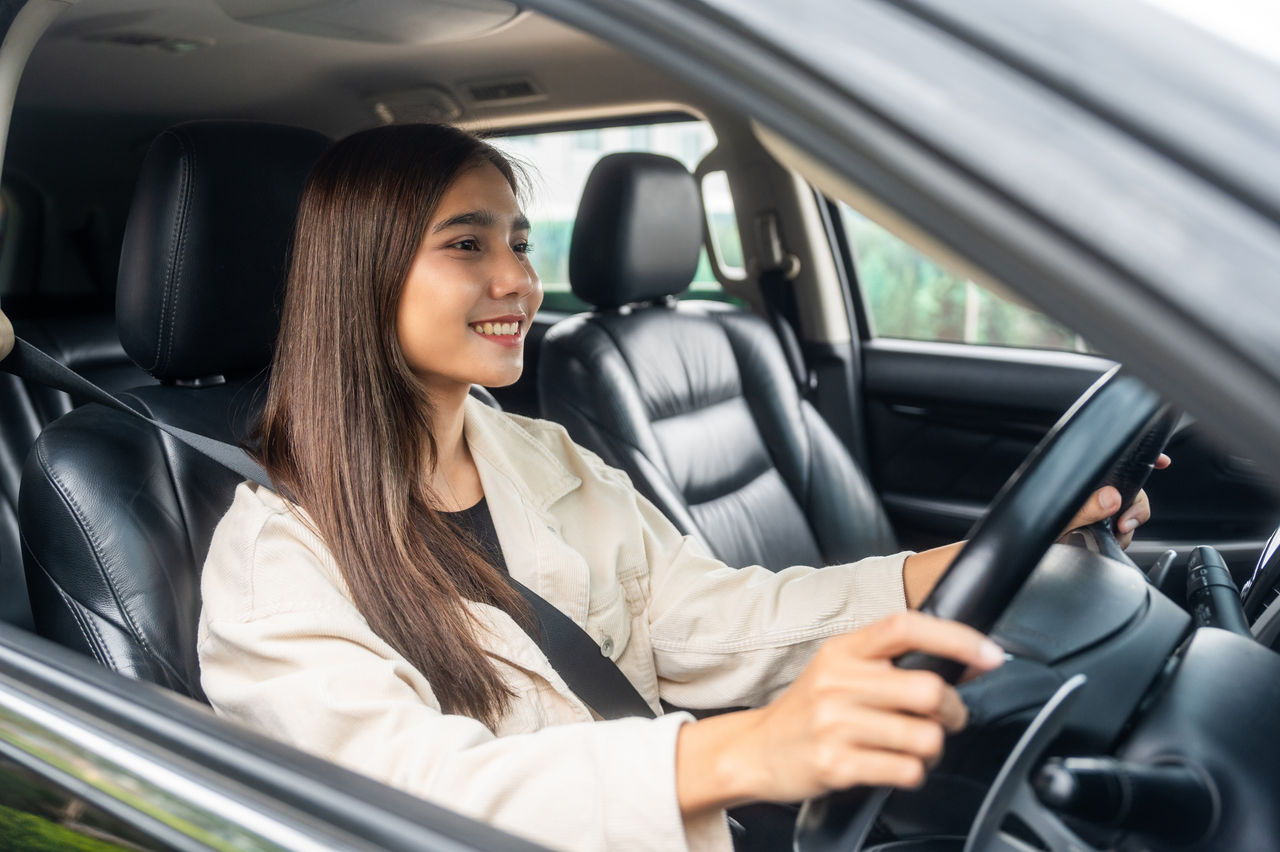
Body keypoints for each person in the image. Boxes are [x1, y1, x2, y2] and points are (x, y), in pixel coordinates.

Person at [197, 124, 1159, 852]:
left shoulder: (546, 456)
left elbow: (705, 617)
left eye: (521, 245)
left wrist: (982, 561)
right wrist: (744, 754)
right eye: (466, 245)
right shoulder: (273, 558)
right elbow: (397, 796)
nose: (519, 283)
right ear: (361, 275)